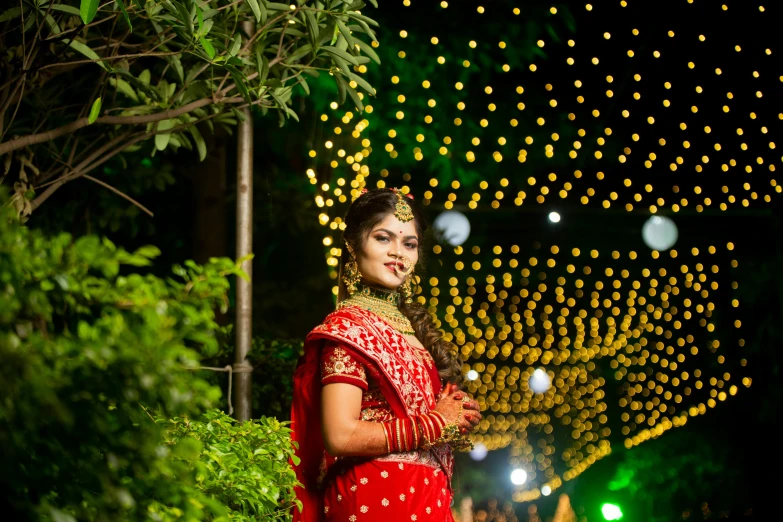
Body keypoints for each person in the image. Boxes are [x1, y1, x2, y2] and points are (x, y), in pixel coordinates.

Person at [290, 188, 483, 521]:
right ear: (353, 244)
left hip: (429, 498)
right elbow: (340, 435)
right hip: (374, 497)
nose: (398, 253)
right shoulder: (348, 329)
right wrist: (436, 423)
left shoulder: (413, 331)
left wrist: (456, 413)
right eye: (383, 238)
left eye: (409, 244)